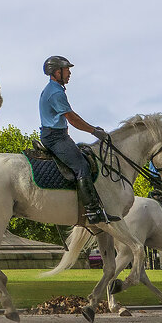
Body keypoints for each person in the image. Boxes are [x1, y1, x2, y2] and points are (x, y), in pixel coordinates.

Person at [38, 55, 119, 225]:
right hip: (55, 138)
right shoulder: (55, 92)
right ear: (56, 72)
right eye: (66, 70)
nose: (69, 73)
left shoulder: (54, 89)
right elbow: (72, 119)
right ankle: (92, 211)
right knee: (82, 167)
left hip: (58, 135)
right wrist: (94, 131)